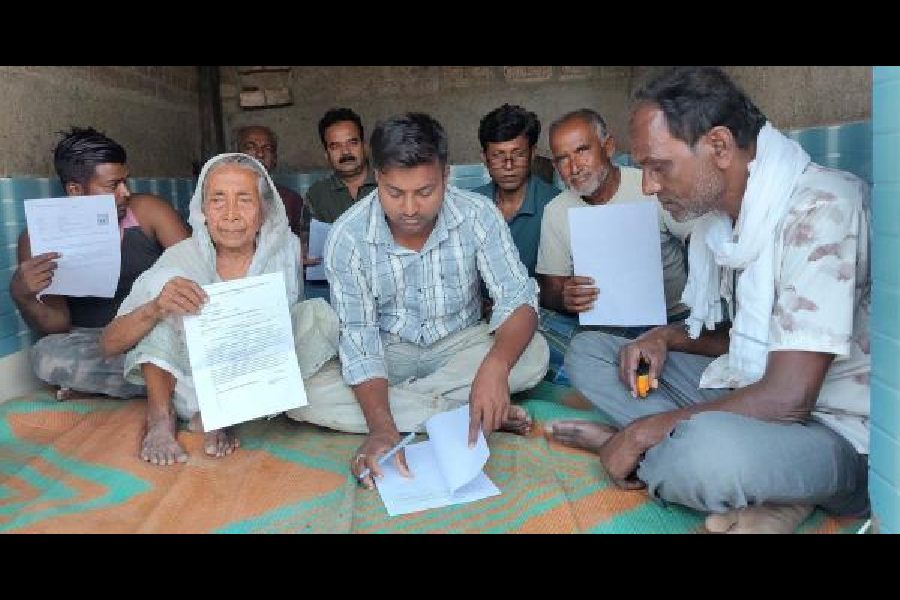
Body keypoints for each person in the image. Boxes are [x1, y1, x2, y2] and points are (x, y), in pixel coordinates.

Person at [547, 66, 871, 533]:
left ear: (718, 146)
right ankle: (759, 489)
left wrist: (642, 432)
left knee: (706, 456)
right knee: (593, 351)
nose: (651, 186)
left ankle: (646, 451)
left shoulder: (823, 209)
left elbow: (789, 398)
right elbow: (744, 339)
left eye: (660, 167)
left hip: (830, 431)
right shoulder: (723, 222)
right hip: (748, 387)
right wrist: (664, 337)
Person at [285, 113, 549, 490]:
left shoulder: (478, 215)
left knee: (532, 353)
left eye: (424, 192)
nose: (409, 208)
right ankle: (464, 411)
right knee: (299, 395)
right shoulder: (348, 235)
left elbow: (517, 298)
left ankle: (439, 406)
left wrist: (495, 368)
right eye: (395, 193)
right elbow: (359, 340)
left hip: (462, 345)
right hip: (386, 352)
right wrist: (379, 430)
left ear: (446, 175)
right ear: (378, 178)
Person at [100, 153, 337, 465]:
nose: (231, 214)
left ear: (264, 211)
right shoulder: (180, 258)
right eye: (218, 200)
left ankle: (225, 415)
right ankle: (161, 418)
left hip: (252, 372)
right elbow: (108, 344)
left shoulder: (286, 250)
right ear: (202, 212)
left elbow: (282, 327)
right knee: (166, 293)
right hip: (189, 378)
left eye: (244, 200)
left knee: (315, 317)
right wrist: (155, 308)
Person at [10, 126, 189, 399]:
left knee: (180, 343)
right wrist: (24, 296)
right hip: (95, 341)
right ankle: (174, 383)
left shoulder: (149, 211)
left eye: (125, 181)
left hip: (156, 327)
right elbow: (58, 323)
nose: (125, 192)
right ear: (75, 190)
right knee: (46, 356)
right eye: (112, 186)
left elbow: (197, 269)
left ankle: (152, 380)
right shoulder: (39, 239)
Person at [534, 108, 694, 381]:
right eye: (563, 158)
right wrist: (564, 297)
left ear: (608, 146)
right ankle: (629, 369)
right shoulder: (556, 211)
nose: (574, 167)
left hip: (671, 323)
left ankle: (609, 370)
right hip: (603, 329)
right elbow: (549, 290)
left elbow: (702, 243)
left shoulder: (651, 187)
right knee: (534, 327)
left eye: (582, 150)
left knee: (704, 334)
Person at [472, 104, 560, 277]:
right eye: (498, 155)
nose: (509, 166)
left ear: (532, 153)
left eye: (518, 154)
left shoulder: (556, 205)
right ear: (485, 158)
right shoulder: (470, 206)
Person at [301, 108, 377, 300]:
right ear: (326, 154)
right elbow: (308, 245)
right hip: (337, 291)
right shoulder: (317, 194)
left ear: (364, 146)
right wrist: (303, 253)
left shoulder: (389, 183)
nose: (345, 152)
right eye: (335, 146)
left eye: (352, 143)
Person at [235, 125, 305, 240]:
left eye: (267, 149)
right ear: (237, 156)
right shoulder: (219, 198)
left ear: (275, 159)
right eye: (251, 148)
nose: (260, 154)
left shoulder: (291, 200)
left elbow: (301, 246)